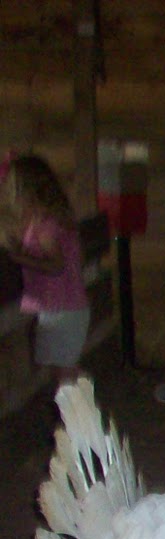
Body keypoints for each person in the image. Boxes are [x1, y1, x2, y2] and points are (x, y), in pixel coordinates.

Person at [0, 153, 90, 385]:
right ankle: (77, 413)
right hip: (62, 307)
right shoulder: (48, 220)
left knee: (64, 377)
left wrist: (20, 258)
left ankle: (77, 416)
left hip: (61, 309)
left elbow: (56, 264)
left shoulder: (46, 226)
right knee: (63, 372)